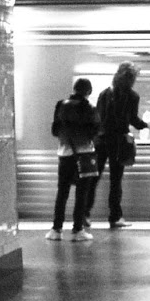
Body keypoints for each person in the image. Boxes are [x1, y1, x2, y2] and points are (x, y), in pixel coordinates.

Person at [95, 61, 150, 228]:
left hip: (101, 141)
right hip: (118, 142)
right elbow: (132, 119)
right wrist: (145, 125)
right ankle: (115, 217)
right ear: (131, 79)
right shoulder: (132, 96)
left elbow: (97, 117)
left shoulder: (105, 93)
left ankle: (84, 214)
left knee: (94, 177)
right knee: (115, 181)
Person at [48, 78, 100, 241]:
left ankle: (56, 230)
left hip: (64, 154)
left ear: (74, 89)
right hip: (84, 155)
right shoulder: (90, 108)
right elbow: (95, 131)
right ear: (89, 92)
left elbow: (54, 131)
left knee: (62, 193)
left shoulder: (61, 105)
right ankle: (78, 230)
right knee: (81, 194)